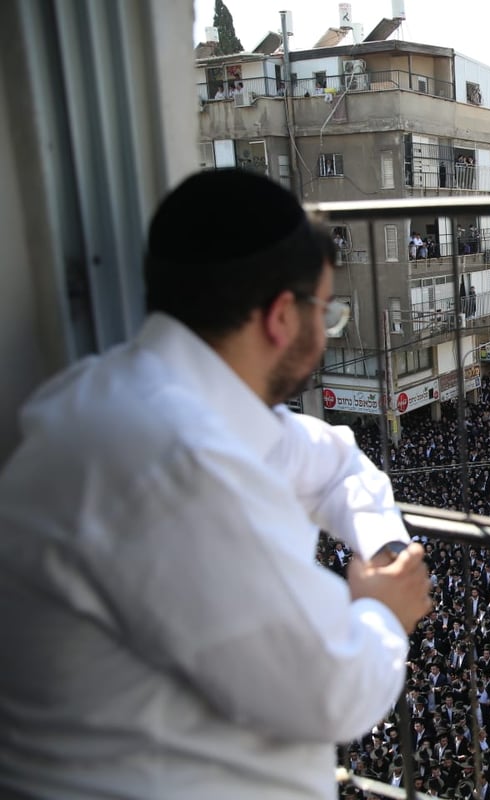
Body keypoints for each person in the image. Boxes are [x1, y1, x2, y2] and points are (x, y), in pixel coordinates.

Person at [0, 168, 434, 799]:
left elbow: (337, 460)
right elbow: (336, 690)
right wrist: (385, 612)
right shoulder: (177, 462)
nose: (326, 332)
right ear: (282, 317)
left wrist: (383, 549)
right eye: (328, 313)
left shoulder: (123, 396)